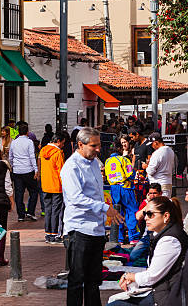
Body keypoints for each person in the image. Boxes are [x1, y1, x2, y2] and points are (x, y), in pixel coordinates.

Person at [61, 127, 124, 306]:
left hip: (96, 229)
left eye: (99, 145)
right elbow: (76, 198)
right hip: (79, 228)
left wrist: (106, 208)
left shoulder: (95, 163)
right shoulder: (71, 166)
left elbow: (97, 191)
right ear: (80, 145)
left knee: (94, 279)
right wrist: (104, 208)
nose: (98, 149)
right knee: (77, 279)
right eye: (94, 146)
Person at [108, 196, 188, 306]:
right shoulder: (163, 235)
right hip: (162, 292)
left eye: (150, 214)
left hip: (168, 298)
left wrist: (129, 276)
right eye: (145, 214)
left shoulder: (170, 240)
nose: (146, 218)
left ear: (166, 216)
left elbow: (151, 276)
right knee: (115, 301)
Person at [105, 143, 139, 244]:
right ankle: (133, 237)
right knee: (131, 211)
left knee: (117, 212)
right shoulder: (123, 159)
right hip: (125, 187)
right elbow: (130, 174)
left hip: (114, 188)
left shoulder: (107, 161)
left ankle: (119, 238)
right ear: (119, 149)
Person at [8, 123, 40, 222]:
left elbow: (10, 157)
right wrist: (36, 169)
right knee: (34, 191)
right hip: (28, 170)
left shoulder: (14, 142)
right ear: (27, 132)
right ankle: (30, 211)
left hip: (17, 171)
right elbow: (32, 156)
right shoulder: (29, 142)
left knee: (19, 193)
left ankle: (21, 215)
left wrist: (13, 166)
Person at [39, 132, 66, 243]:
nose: (63, 145)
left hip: (45, 185)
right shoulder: (58, 153)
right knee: (56, 211)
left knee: (48, 210)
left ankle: (48, 233)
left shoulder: (43, 150)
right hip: (56, 186)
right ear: (58, 141)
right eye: (63, 143)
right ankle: (54, 235)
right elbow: (61, 171)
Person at [142, 133, 174, 197]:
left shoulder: (157, 153)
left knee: (158, 205)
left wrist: (146, 166)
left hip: (158, 186)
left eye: (152, 144)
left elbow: (150, 171)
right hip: (168, 183)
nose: (151, 146)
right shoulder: (170, 151)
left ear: (156, 143)